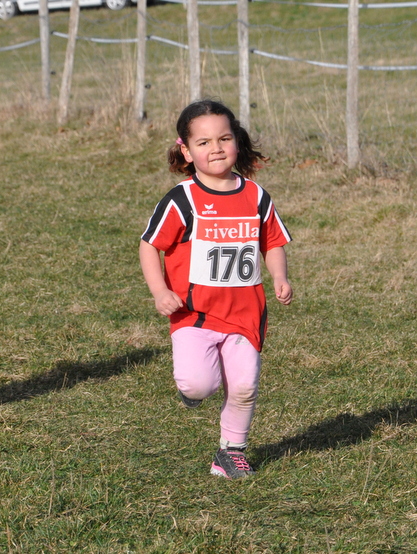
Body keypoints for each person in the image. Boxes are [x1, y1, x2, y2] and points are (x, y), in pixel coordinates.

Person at [139, 99, 293, 479]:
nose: (217, 148)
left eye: (224, 139)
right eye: (204, 142)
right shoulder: (183, 199)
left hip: (245, 315)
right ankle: (194, 386)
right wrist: (159, 292)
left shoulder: (256, 196)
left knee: (244, 386)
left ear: (236, 141)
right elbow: (149, 245)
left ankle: (231, 453)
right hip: (194, 315)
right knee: (198, 384)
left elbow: (272, 242)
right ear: (187, 152)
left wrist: (279, 276)